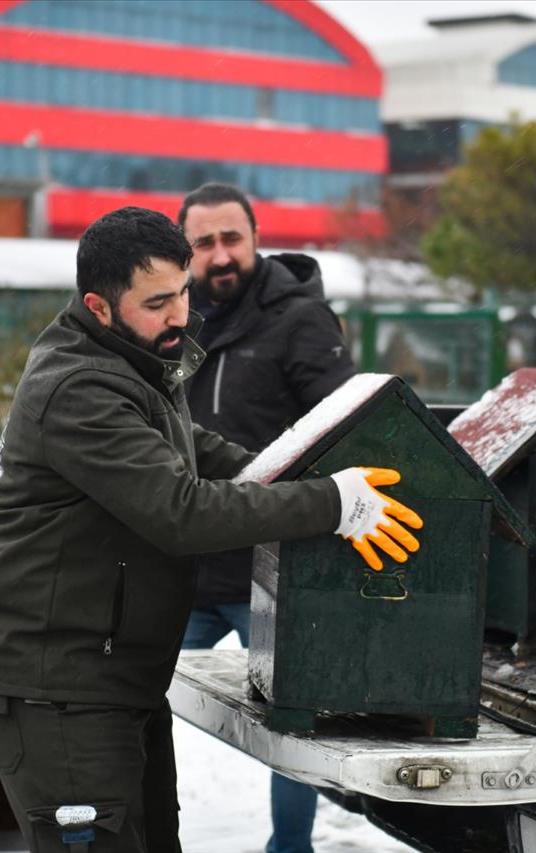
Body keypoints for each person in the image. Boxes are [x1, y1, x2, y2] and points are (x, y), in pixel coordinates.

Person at [0, 206, 424, 853]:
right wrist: (327, 503)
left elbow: (203, 450)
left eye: (182, 290)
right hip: (57, 691)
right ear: (97, 305)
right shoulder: (78, 388)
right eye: (157, 301)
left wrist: (291, 474)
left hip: (115, 677)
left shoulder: (136, 360)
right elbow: (181, 510)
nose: (180, 312)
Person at [176, 183, 356, 853]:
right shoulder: (172, 317)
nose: (221, 255)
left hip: (270, 564)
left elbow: (345, 429)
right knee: (126, 700)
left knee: (291, 724)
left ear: (255, 237)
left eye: (232, 238)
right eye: (204, 243)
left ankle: (291, 847)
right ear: (184, 250)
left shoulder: (300, 320)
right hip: (185, 555)